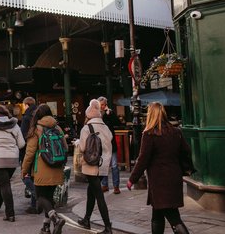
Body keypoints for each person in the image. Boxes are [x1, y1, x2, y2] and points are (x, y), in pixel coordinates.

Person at [127, 102, 192, 234]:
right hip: (174, 177)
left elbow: (143, 159)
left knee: (173, 217)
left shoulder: (150, 134)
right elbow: (186, 150)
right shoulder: (176, 132)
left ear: (151, 115)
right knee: (157, 213)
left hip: (159, 181)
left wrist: (132, 179)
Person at [22, 104, 67, 234]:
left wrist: (24, 170)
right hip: (57, 167)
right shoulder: (57, 127)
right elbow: (64, 147)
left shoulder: (36, 129)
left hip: (42, 169)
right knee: (48, 198)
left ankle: (56, 219)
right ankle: (46, 228)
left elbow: (29, 153)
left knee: (40, 197)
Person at [77, 99, 114, 234]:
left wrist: (77, 143)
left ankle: (108, 227)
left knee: (99, 196)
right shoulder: (105, 127)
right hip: (103, 164)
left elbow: (82, 147)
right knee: (91, 192)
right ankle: (86, 219)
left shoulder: (87, 128)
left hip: (91, 164)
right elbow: (109, 141)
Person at [98, 96, 121, 194]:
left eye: (104, 104)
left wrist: (110, 114)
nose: (103, 106)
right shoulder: (97, 114)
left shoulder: (110, 113)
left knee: (114, 165)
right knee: (104, 165)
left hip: (111, 143)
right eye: (101, 104)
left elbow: (117, 123)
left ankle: (116, 186)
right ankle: (104, 185)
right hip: (102, 143)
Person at [20, 96, 38, 212]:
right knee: (34, 176)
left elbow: (23, 137)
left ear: (26, 105)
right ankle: (33, 204)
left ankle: (36, 197)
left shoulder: (26, 117)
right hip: (40, 151)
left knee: (25, 175)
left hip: (28, 150)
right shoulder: (38, 115)